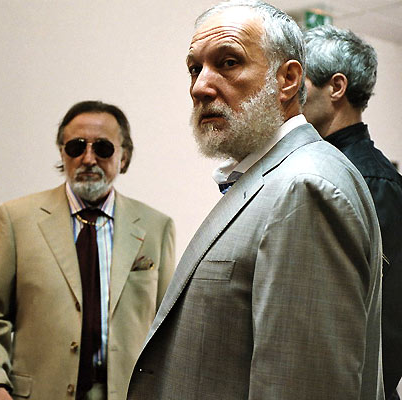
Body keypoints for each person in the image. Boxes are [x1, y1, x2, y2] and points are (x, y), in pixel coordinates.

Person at [127, 1, 384, 399]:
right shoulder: (272, 176)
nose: (200, 87)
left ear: (288, 79)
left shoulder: (304, 187)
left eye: (228, 62)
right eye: (194, 68)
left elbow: (300, 387)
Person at [0, 100, 175, 400]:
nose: (88, 159)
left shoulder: (156, 227)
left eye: (103, 148)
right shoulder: (16, 220)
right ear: (62, 153)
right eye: (76, 147)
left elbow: (167, 331)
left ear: (123, 156)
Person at [303, 24, 402, 399]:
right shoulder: (312, 166)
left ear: (336, 87)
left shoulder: (374, 183)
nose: (288, 95)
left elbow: (385, 318)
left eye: (300, 82)